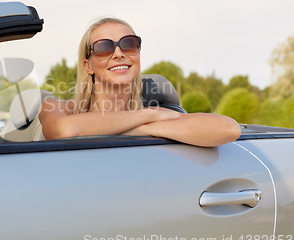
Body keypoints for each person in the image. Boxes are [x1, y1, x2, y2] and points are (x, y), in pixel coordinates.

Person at [39, 17, 241, 147]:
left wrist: (141, 126)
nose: (118, 53)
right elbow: (65, 130)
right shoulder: (57, 108)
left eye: (128, 44)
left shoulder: (153, 115)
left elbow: (229, 129)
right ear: (88, 65)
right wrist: (148, 116)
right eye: (103, 48)